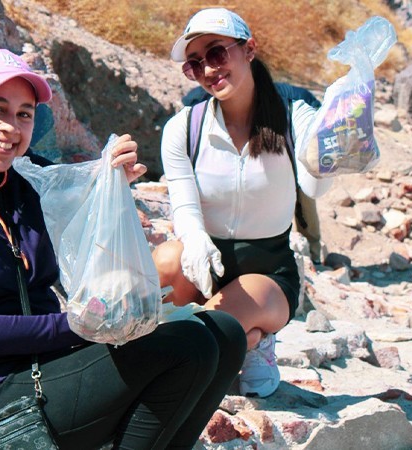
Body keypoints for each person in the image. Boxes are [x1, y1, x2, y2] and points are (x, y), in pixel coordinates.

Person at [0, 48, 247, 450]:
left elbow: (80, 214)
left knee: (225, 331)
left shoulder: (28, 180)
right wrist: (82, 327)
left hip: (51, 365)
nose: (11, 127)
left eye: (24, 114)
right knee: (188, 346)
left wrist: (110, 186)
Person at [152, 8, 333, 398]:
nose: (209, 70)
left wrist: (334, 150)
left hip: (266, 273)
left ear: (249, 49)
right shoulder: (184, 127)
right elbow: (184, 205)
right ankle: (247, 339)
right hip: (206, 262)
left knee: (196, 338)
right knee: (158, 272)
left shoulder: (292, 115)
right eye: (195, 64)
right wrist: (196, 241)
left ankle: (252, 338)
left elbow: (315, 189)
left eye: (217, 53)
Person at [182, 83, 326, 264]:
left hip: (296, 142)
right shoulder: (207, 102)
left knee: (304, 199)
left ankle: (314, 253)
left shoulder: (296, 106)